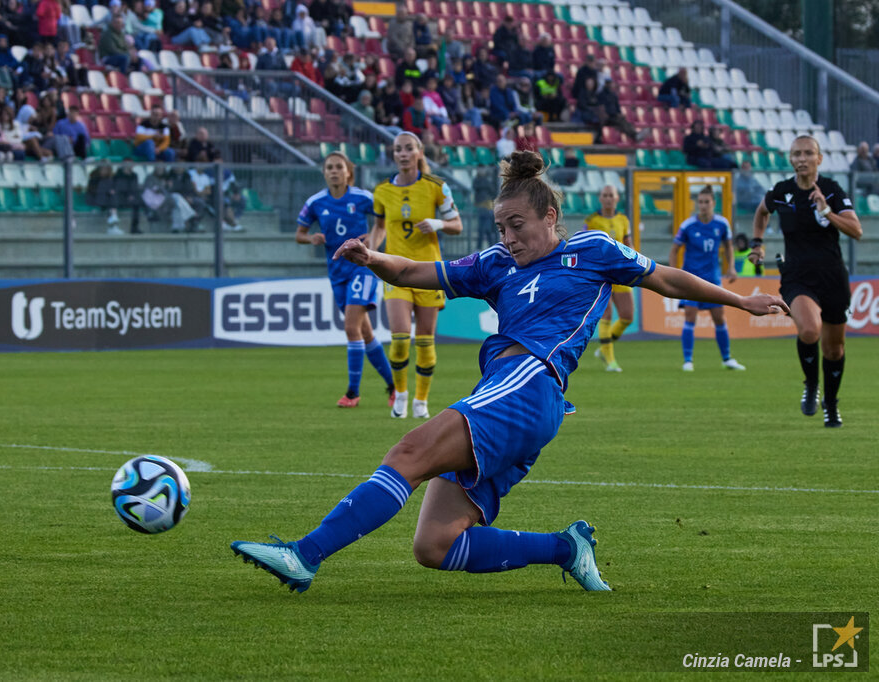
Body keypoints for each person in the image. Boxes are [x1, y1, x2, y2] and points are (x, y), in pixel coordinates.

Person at [230, 150, 788, 594]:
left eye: (517, 225)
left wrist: (742, 301)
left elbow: (666, 278)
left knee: (408, 454)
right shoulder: (497, 264)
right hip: (511, 396)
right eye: (500, 227)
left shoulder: (593, 249)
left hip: (531, 381)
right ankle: (566, 548)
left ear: (550, 216)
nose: (508, 237)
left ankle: (303, 555)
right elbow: (417, 269)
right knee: (436, 545)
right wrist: (373, 260)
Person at [749, 135, 862, 428]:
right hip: (796, 276)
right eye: (796, 153)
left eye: (808, 153)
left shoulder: (832, 190)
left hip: (832, 276)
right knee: (810, 330)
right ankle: (812, 385)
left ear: (819, 159)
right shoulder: (781, 191)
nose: (802, 158)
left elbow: (856, 230)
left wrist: (827, 211)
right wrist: (757, 244)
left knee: (834, 349)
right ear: (790, 159)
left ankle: (832, 405)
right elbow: (761, 212)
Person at [370, 131, 463, 419]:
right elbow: (379, 227)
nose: (403, 154)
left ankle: (421, 401)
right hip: (395, 271)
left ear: (419, 152)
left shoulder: (436, 186)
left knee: (425, 339)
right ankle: (400, 395)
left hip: (428, 271)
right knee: (399, 337)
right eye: (398, 149)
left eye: (408, 149)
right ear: (393, 154)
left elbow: (456, 224)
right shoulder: (382, 190)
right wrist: (369, 254)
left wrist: (437, 223)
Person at [296, 152, 396, 408]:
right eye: (329, 167)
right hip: (337, 272)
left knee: (351, 327)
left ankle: (352, 393)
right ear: (324, 172)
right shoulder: (315, 202)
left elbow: (383, 220)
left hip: (361, 269)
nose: (333, 171)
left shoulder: (362, 197)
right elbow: (300, 234)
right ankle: (394, 386)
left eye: (338, 167)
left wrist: (372, 245)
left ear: (348, 172)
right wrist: (311, 239)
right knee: (364, 332)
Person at [668, 186, 744, 372]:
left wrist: (731, 266)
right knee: (690, 316)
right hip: (691, 278)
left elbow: (728, 246)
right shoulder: (687, 225)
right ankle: (688, 361)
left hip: (712, 278)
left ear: (713, 203)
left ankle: (727, 359)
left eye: (706, 202)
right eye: (700, 202)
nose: (703, 205)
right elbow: (674, 249)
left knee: (719, 317)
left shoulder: (722, 224)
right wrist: (672, 272)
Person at [584, 185, 633, 372]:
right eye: (604, 195)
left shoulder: (623, 220)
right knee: (607, 314)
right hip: (601, 273)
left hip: (621, 271)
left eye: (611, 195)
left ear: (617, 198)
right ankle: (611, 361)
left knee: (627, 316)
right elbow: (585, 244)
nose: (608, 199)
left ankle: (604, 347)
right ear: (600, 198)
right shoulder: (592, 220)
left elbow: (628, 244)